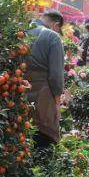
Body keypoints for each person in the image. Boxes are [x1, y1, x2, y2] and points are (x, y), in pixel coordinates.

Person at [26, 11, 66, 154]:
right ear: (55, 25)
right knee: (44, 137)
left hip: (19, 92)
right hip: (44, 94)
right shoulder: (52, 36)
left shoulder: (21, 32)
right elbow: (56, 75)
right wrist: (57, 101)